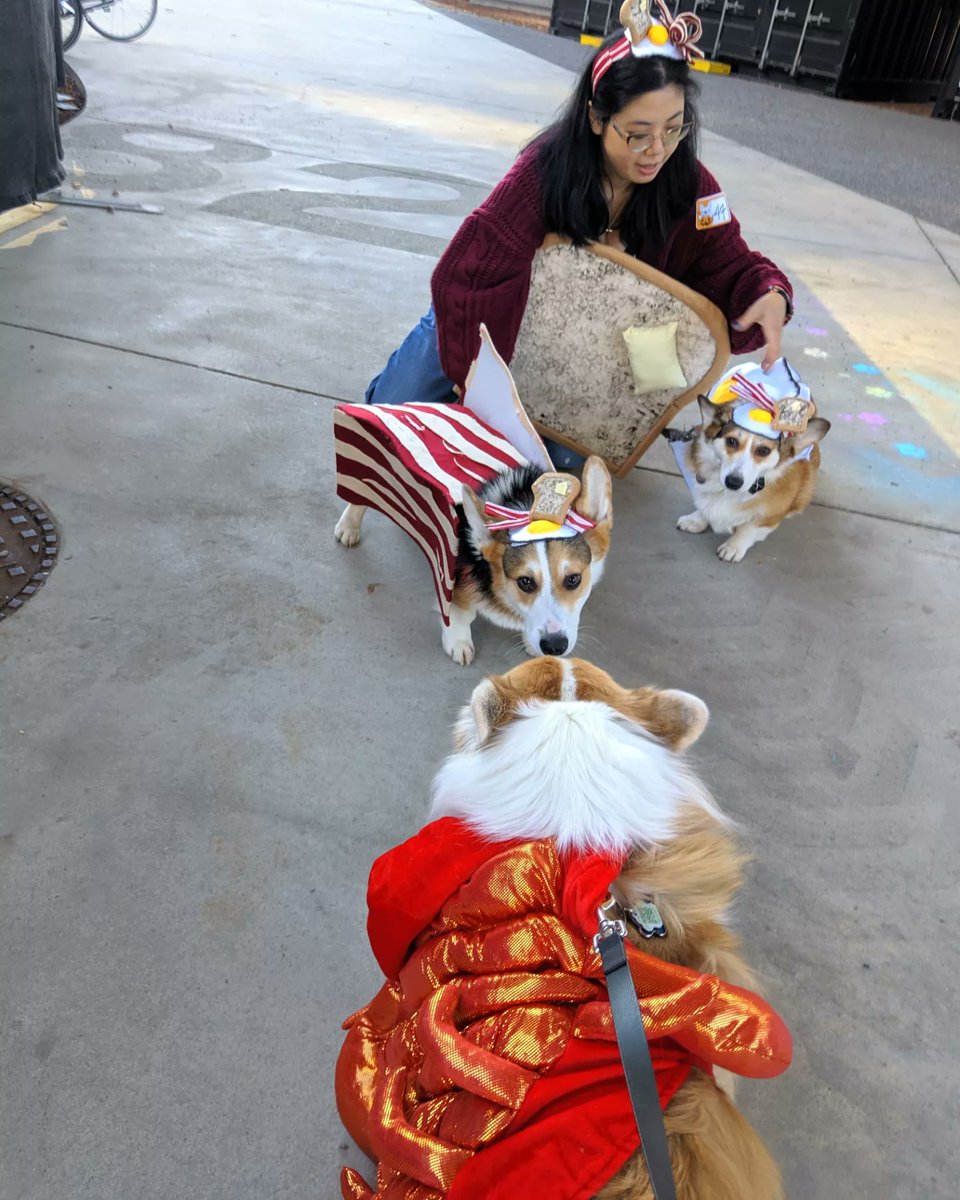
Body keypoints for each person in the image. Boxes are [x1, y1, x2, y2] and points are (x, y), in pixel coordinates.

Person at [364, 2, 793, 468]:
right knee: (388, 420)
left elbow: (732, 263)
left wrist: (768, 293)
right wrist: (481, 386)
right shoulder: (542, 174)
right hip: (497, 321)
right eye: (637, 133)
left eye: (674, 129)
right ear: (595, 118)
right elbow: (474, 275)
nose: (658, 151)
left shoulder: (694, 189)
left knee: (554, 469)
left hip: (593, 356)